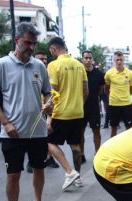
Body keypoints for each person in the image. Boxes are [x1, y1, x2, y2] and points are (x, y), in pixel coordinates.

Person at [0, 22, 53, 201]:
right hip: (12, 133)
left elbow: (47, 93)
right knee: (13, 175)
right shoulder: (1, 65)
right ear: (17, 40)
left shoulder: (39, 66)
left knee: (39, 169)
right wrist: (5, 122)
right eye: (27, 43)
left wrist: (49, 104)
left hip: (38, 131)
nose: (31, 47)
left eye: (33, 44)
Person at [47, 37, 89, 190]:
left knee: (49, 142)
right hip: (77, 112)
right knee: (75, 146)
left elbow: (52, 93)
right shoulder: (79, 65)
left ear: (53, 49)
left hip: (60, 112)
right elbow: (86, 91)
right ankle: (78, 177)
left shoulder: (54, 65)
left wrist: (49, 117)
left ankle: (70, 171)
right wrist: (78, 105)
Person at [26, 50, 60, 173]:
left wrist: (49, 118)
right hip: (32, 112)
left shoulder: (48, 74)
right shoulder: (30, 73)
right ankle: (31, 161)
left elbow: (51, 97)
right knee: (33, 138)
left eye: (45, 59)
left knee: (46, 136)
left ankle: (49, 158)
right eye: (41, 58)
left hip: (46, 111)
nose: (44, 61)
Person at [80, 50, 104, 163]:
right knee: (80, 133)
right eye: (86, 58)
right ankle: (81, 154)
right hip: (80, 107)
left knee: (97, 132)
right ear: (82, 59)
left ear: (92, 59)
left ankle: (98, 154)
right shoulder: (78, 72)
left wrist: (93, 97)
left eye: (90, 58)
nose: (88, 60)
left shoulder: (99, 74)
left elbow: (100, 90)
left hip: (94, 107)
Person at [104, 51, 132, 137]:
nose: (119, 62)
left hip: (126, 104)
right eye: (117, 60)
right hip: (114, 104)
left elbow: (131, 89)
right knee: (113, 128)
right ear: (114, 60)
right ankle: (112, 149)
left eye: (121, 60)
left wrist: (125, 96)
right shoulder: (109, 73)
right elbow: (106, 88)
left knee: (129, 128)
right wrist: (112, 96)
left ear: (123, 60)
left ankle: (129, 148)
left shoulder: (130, 73)